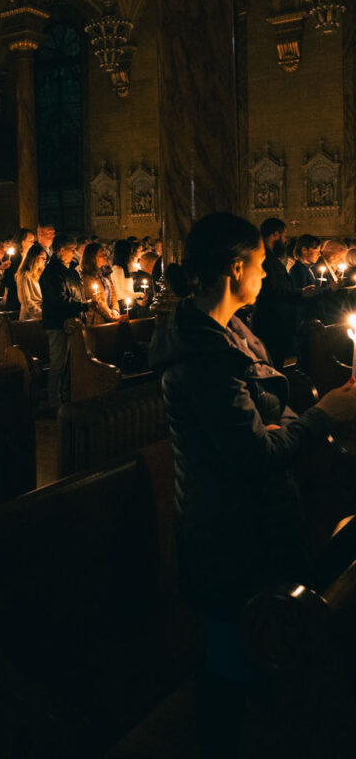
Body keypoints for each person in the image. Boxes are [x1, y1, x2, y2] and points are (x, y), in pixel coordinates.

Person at [149, 212, 356, 757]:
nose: (267, 274)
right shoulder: (204, 359)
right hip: (227, 535)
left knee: (260, 657)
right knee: (230, 667)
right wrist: (327, 412)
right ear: (235, 267)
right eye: (261, 265)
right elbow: (258, 456)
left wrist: (283, 422)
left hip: (253, 520)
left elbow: (274, 412)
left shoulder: (232, 335)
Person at [252, 217, 316, 369]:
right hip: (272, 323)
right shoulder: (265, 257)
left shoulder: (270, 256)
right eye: (284, 236)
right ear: (275, 235)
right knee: (274, 364)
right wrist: (300, 292)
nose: (286, 240)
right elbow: (272, 289)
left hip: (277, 321)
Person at [40, 234, 90, 411]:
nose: (74, 253)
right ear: (61, 251)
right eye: (71, 249)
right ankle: (54, 402)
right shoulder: (52, 273)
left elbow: (78, 292)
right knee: (58, 363)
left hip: (73, 323)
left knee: (70, 362)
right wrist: (83, 305)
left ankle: (67, 397)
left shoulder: (71, 270)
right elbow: (57, 300)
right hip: (57, 324)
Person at [80, 243, 119, 324]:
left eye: (105, 254)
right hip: (96, 319)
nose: (105, 257)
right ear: (92, 258)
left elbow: (113, 294)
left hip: (110, 316)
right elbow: (97, 300)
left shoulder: (104, 273)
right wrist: (111, 315)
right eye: (101, 255)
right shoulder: (87, 277)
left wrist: (115, 310)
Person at [110, 239, 144, 312]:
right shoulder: (117, 269)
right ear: (124, 254)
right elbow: (121, 293)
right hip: (123, 306)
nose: (132, 256)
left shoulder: (123, 269)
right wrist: (140, 295)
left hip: (128, 303)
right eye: (130, 253)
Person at [15, 242, 47, 320]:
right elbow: (26, 301)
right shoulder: (24, 275)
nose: (44, 260)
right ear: (34, 257)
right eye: (42, 257)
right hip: (30, 317)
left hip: (40, 314)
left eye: (45, 258)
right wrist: (42, 314)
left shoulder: (39, 275)